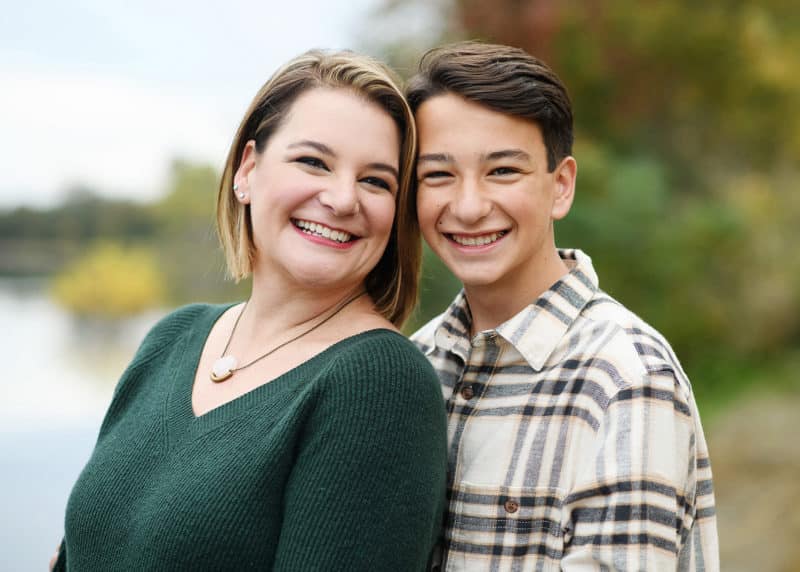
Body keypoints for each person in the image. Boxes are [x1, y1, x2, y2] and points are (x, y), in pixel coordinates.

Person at [51, 50, 447, 571]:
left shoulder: (378, 383)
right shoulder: (172, 338)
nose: (343, 198)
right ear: (248, 170)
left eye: (376, 180)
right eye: (314, 162)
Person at [407, 41, 719, 570]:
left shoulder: (625, 380)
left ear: (561, 186)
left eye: (503, 171)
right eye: (438, 174)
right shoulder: (414, 362)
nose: (468, 206)